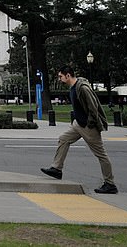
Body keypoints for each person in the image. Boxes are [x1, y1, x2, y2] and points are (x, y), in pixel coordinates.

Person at [41, 66, 118, 194]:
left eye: (61, 76)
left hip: (88, 126)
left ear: (68, 76)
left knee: (101, 155)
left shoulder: (82, 88)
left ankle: (110, 184)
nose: (59, 79)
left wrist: (90, 123)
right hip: (78, 124)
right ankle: (56, 169)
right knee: (63, 139)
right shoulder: (73, 87)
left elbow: (93, 107)